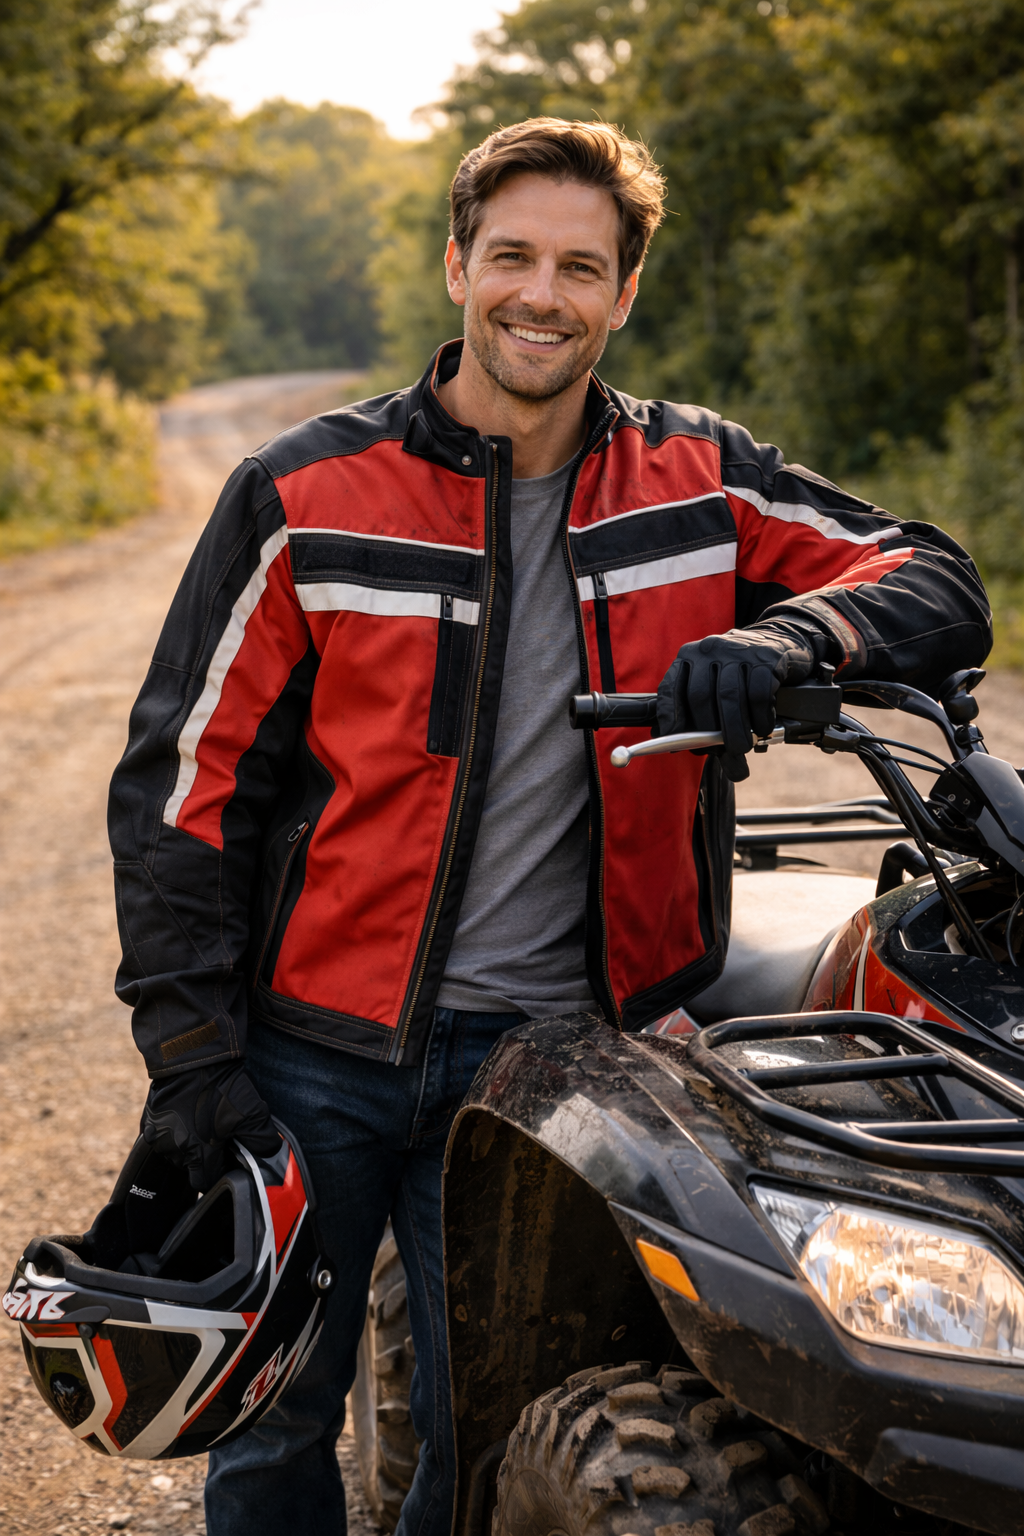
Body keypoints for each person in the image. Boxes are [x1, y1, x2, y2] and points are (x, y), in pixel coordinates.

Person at [107, 118, 991, 1535]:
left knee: (488, 1437)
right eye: (512, 255)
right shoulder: (303, 493)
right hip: (316, 1054)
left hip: (562, 1066)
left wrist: (788, 639)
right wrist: (194, 1060)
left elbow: (934, 579)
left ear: (623, 295)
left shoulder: (697, 477)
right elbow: (180, 795)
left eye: (582, 267)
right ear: (458, 265)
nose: (542, 293)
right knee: (275, 1431)